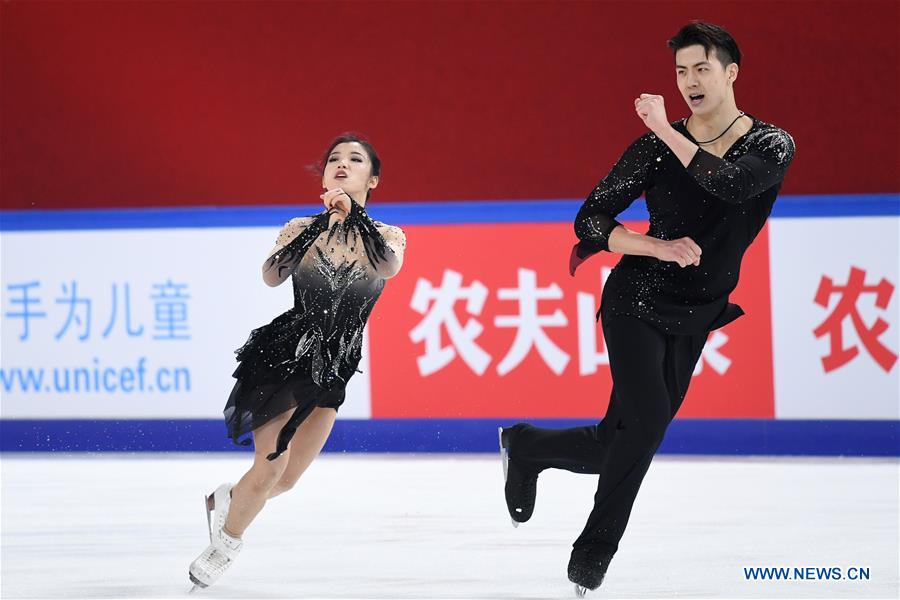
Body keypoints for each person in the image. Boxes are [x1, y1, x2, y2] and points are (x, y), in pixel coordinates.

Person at [498, 21, 795, 596]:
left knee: (623, 437)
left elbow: (731, 186)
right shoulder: (655, 147)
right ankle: (593, 554)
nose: (689, 82)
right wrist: (654, 245)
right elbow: (591, 220)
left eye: (701, 69)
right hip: (636, 298)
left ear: (730, 73)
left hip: (699, 309)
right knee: (650, 421)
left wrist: (665, 127)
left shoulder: (770, 144)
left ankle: (528, 446)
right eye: (681, 72)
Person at [188, 134, 406, 590]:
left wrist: (354, 216)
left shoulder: (387, 235)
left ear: (374, 178)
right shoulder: (298, 227)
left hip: (335, 368)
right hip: (285, 355)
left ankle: (228, 497)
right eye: (334, 160)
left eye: (355, 159)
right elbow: (272, 277)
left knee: (284, 480)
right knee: (268, 467)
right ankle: (224, 545)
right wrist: (321, 223)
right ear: (325, 176)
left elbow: (386, 266)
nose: (342, 165)